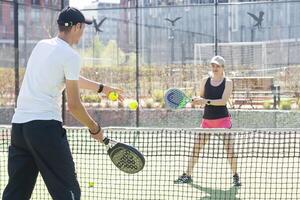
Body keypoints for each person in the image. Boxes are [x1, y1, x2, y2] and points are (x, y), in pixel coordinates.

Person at [2, 6, 124, 200]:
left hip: (19, 129)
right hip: (45, 130)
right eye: (83, 28)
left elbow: (68, 77)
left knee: (16, 193)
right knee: (68, 192)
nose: (83, 33)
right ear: (76, 27)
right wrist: (94, 128)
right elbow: (74, 106)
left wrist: (102, 88)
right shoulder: (71, 55)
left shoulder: (42, 45)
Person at [174, 55, 241, 187]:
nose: (215, 68)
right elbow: (202, 98)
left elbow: (222, 101)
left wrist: (205, 101)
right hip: (207, 121)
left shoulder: (228, 82)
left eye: (218, 66)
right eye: (213, 65)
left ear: (223, 68)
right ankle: (187, 175)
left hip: (222, 121)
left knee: (230, 150)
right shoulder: (205, 80)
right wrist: (197, 100)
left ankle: (235, 176)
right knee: (196, 149)